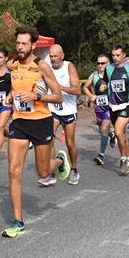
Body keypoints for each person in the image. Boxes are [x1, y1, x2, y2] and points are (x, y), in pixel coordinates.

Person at [1, 26, 67, 238]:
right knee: (13, 171)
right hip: (20, 121)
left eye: (24, 44)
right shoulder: (12, 65)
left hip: (41, 121)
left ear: (33, 45)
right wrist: (11, 97)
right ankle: (18, 221)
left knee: (43, 172)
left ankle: (59, 161)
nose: (20, 47)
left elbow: (58, 96)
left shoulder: (42, 67)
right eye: (18, 43)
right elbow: (17, 86)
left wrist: (36, 98)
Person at [39, 44, 81, 186]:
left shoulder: (69, 67)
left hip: (68, 110)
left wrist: (60, 88)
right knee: (49, 139)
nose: (53, 59)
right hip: (53, 110)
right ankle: (51, 173)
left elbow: (77, 90)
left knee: (70, 143)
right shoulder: (47, 68)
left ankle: (74, 168)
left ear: (62, 55)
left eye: (55, 56)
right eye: (51, 56)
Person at [101, 44, 129, 175]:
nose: (115, 58)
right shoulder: (108, 69)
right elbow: (105, 82)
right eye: (113, 55)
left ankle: (124, 160)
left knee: (118, 132)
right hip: (113, 106)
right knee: (122, 135)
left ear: (124, 55)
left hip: (127, 104)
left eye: (118, 55)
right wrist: (103, 86)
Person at [82, 54, 116, 166]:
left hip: (109, 107)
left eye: (103, 63)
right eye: (98, 63)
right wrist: (91, 95)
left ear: (108, 64)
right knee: (102, 129)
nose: (100, 65)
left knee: (105, 127)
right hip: (98, 107)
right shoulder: (94, 75)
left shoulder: (113, 75)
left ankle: (101, 155)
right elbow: (85, 87)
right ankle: (111, 135)